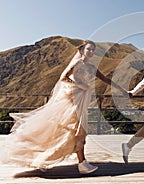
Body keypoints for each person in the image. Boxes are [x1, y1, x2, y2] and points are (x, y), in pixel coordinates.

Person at [0, 40, 127, 174]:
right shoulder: (77, 63)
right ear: (82, 50)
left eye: (93, 50)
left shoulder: (91, 67)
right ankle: (82, 163)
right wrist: (80, 85)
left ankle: (47, 159)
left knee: (73, 131)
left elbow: (106, 79)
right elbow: (63, 77)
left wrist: (122, 90)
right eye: (89, 49)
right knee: (75, 130)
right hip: (73, 99)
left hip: (82, 100)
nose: (91, 52)